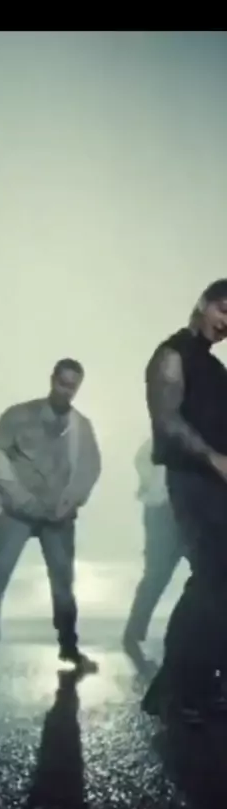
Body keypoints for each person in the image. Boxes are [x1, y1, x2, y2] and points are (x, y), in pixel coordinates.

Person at [0, 358, 101, 673]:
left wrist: (70, 502)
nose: (66, 390)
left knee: (63, 583)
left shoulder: (81, 426)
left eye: (73, 386)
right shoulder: (18, 415)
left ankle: (69, 647)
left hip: (58, 517)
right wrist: (19, 498)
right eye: (62, 383)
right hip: (17, 514)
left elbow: (90, 467)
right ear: (52, 379)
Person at [141, 279, 227, 724]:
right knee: (210, 579)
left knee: (217, 582)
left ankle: (186, 684)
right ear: (203, 303)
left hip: (215, 485)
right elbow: (167, 421)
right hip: (192, 481)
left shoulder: (212, 367)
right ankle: (178, 690)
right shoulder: (172, 355)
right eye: (223, 310)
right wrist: (213, 458)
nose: (226, 323)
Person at [123, 439, 184, 658]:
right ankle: (134, 633)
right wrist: (155, 487)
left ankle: (134, 634)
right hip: (164, 510)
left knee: (207, 577)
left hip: (184, 510)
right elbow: (143, 458)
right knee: (156, 575)